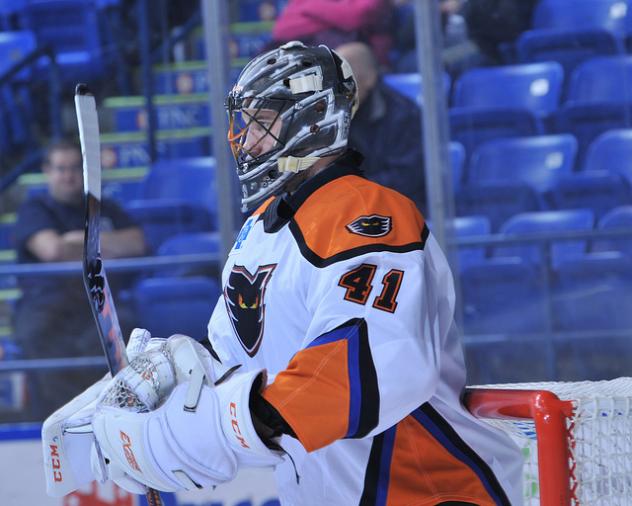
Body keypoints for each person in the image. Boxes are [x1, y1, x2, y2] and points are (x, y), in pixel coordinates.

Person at [43, 42, 523, 505]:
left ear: (314, 120)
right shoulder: (259, 228)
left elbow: (363, 363)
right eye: (244, 124)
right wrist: (173, 393)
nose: (245, 139)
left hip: (421, 491)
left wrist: (215, 429)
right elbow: (243, 365)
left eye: (263, 122)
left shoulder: (366, 213)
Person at [13, 139, 146, 420]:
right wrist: (103, 246)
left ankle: (112, 420)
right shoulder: (35, 209)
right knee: (41, 343)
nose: (69, 175)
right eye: (61, 168)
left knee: (130, 332)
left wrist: (75, 240)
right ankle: (58, 422)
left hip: (98, 302)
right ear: (47, 171)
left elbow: (137, 243)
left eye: (75, 168)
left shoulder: (102, 206)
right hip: (46, 307)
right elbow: (52, 250)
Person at [336, 41, 427, 213]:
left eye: (344, 80)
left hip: (398, 211)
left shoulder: (403, 115)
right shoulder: (331, 115)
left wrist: (353, 193)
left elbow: (406, 177)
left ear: (369, 78)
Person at [271, 0, 393, 68]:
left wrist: (307, 6)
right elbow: (281, 29)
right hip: (306, 54)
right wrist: (332, 17)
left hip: (360, 62)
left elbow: (354, 17)